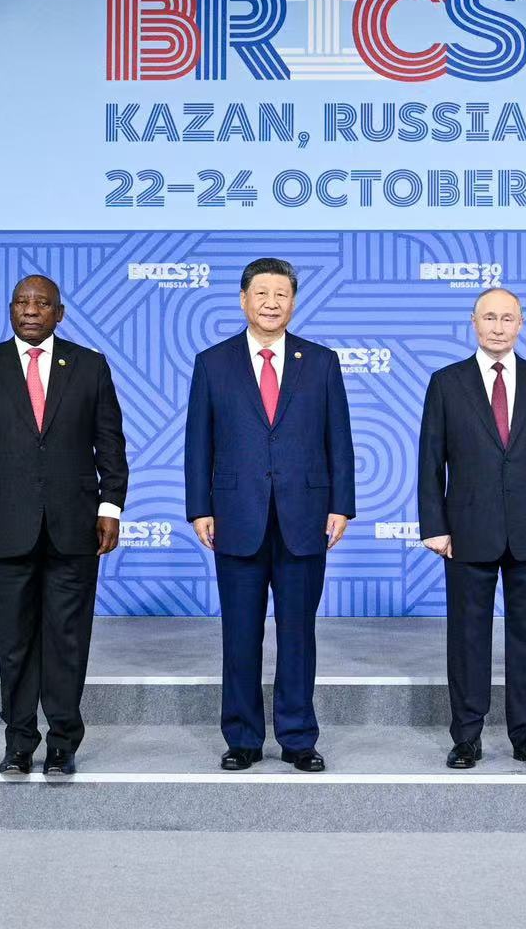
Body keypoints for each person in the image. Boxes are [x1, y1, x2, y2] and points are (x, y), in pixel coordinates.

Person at [0, 275, 128, 776]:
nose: (31, 310)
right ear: (11, 310)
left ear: (60, 313)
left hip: (76, 527)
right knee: (15, 639)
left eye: (42, 303)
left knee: (68, 638)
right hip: (6, 528)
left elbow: (110, 445)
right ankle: (19, 740)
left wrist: (110, 508)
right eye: (23, 302)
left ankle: (64, 741)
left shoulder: (90, 366)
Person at [185, 258, 354, 772]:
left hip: (305, 517)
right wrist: (200, 508)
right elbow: (199, 443)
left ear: (293, 302)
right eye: (262, 293)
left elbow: (338, 440)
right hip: (235, 516)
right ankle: (243, 738)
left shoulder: (321, 362)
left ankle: (299, 738)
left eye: (281, 294)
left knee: (298, 633)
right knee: (240, 634)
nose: (271, 303)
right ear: (243, 300)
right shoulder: (213, 362)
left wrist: (341, 504)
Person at [417, 287, 526, 771]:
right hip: (466, 529)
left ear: (520, 324)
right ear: (473, 322)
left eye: (507, 318)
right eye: (489, 317)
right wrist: (435, 525)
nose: (497, 326)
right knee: (467, 636)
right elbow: (430, 460)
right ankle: (467, 735)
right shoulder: (447, 382)